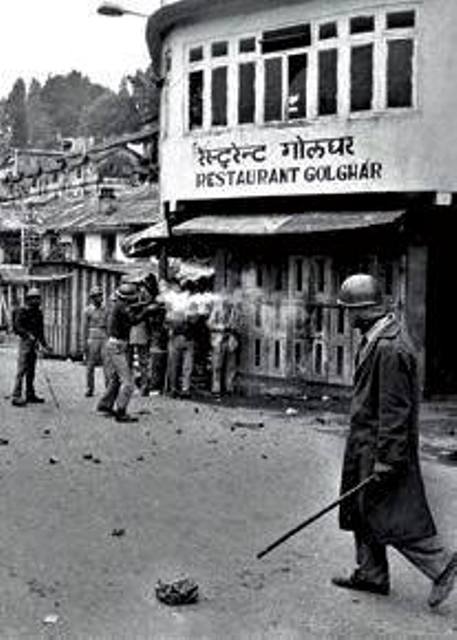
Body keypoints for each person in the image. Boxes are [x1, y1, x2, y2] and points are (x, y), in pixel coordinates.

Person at [333, 273, 457, 609]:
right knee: (362, 508)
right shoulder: (378, 337)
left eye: (349, 310)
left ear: (362, 311)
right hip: (366, 443)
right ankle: (371, 574)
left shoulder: (390, 348)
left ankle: (441, 564)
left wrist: (387, 457)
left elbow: (395, 410)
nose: (347, 316)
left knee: (391, 514)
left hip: (381, 447)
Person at [96, 283, 143, 423]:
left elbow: (133, 310)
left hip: (116, 345)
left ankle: (105, 405)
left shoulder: (119, 305)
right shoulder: (122, 307)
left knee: (116, 379)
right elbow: (134, 319)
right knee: (128, 382)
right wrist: (147, 312)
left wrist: (144, 307)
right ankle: (121, 411)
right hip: (117, 346)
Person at [11, 287, 52, 407]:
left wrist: (45, 345)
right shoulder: (22, 311)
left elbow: (40, 331)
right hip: (25, 342)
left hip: (34, 343)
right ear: (28, 300)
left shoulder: (38, 313)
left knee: (31, 370)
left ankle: (30, 394)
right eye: (33, 299)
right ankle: (16, 395)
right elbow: (17, 327)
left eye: (37, 298)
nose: (36, 301)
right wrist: (27, 335)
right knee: (22, 369)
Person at [207, 294, 240, 397]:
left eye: (229, 301)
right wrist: (221, 327)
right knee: (217, 365)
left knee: (231, 366)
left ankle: (229, 388)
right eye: (225, 301)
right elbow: (209, 324)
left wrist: (234, 328)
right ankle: (216, 389)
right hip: (218, 339)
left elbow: (239, 325)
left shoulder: (235, 312)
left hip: (230, 340)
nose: (227, 303)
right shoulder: (217, 310)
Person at [83, 286, 108, 397]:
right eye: (96, 296)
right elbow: (85, 326)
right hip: (92, 336)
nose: (99, 298)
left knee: (107, 364)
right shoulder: (88, 310)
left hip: (104, 335)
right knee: (90, 364)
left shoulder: (106, 309)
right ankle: (89, 388)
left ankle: (108, 388)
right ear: (92, 298)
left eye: (100, 295)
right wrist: (85, 341)